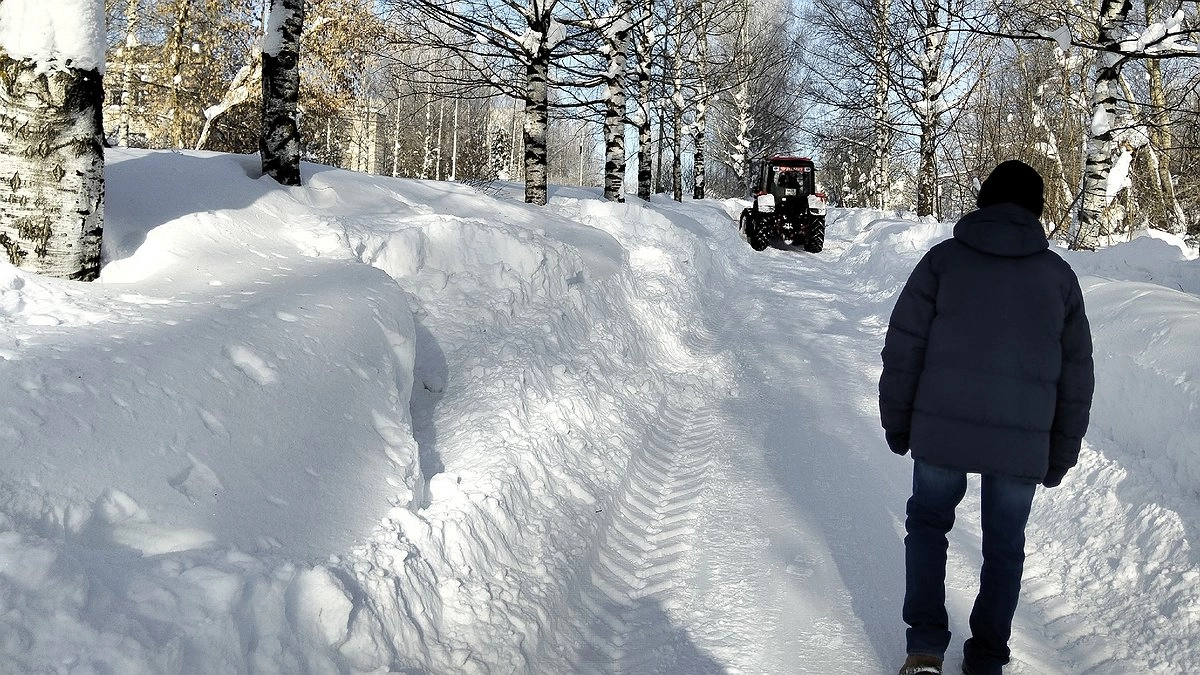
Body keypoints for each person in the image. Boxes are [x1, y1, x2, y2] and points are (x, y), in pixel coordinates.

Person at [879, 160, 1095, 675]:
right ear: (1037, 210)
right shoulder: (1059, 279)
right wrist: (1060, 453)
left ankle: (925, 650)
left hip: (941, 431)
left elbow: (903, 349)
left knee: (929, 525)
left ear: (983, 201)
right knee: (1004, 546)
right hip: (1020, 445)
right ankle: (987, 659)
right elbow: (1076, 381)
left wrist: (899, 422)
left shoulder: (942, 263)